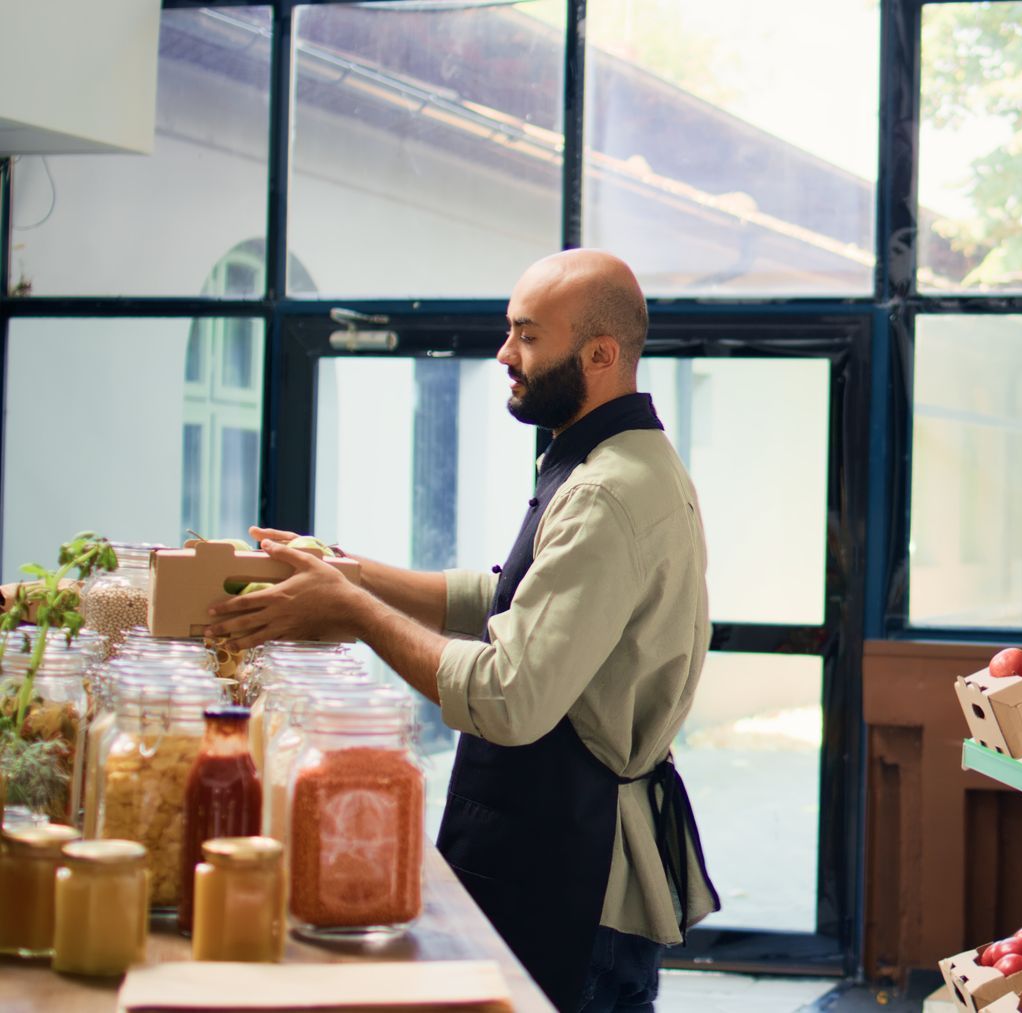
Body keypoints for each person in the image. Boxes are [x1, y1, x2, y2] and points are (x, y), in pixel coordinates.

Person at [209, 249, 718, 1013]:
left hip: (576, 883)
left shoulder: (608, 494)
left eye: (527, 336)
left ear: (601, 354)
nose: (505, 354)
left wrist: (351, 614)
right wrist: (351, 574)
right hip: (557, 858)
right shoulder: (617, 461)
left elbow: (510, 696)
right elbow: (514, 598)